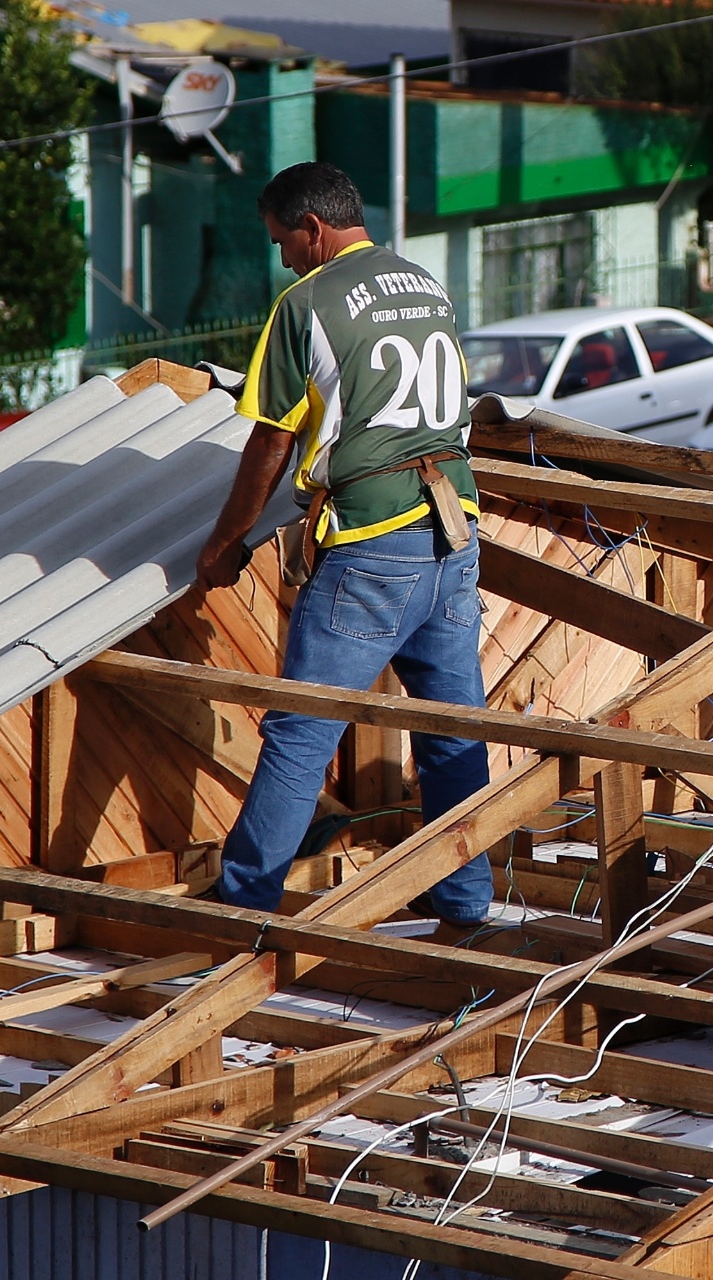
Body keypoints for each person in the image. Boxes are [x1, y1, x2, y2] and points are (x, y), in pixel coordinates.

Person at [194, 161, 493, 938]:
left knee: (301, 731)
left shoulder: (308, 302)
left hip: (371, 545)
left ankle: (242, 914)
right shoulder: (427, 285)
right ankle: (466, 907)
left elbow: (272, 436)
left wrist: (225, 543)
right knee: (454, 728)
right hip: (452, 531)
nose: (282, 259)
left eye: (282, 243)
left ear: (313, 228)